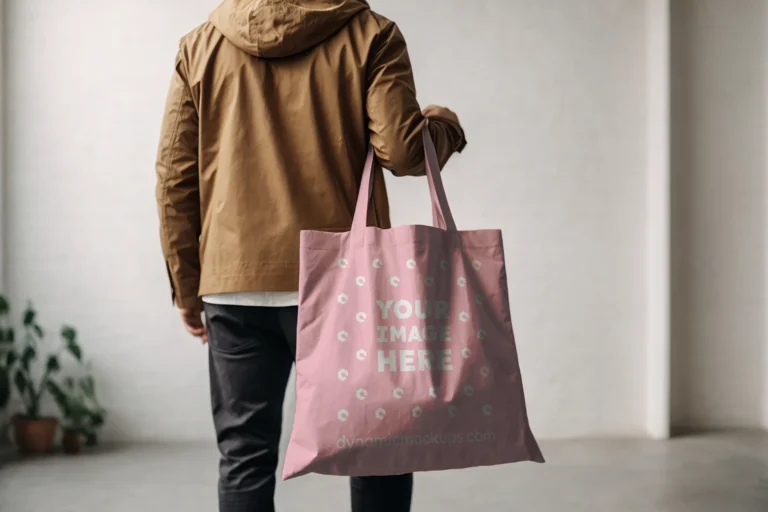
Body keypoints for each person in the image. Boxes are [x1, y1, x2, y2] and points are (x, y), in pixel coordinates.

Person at [155, 1, 466, 511]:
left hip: (235, 284)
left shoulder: (201, 46)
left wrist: (188, 288)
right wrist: (443, 123)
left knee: (244, 456)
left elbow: (173, 179)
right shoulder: (371, 35)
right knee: (377, 448)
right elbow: (405, 152)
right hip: (346, 283)